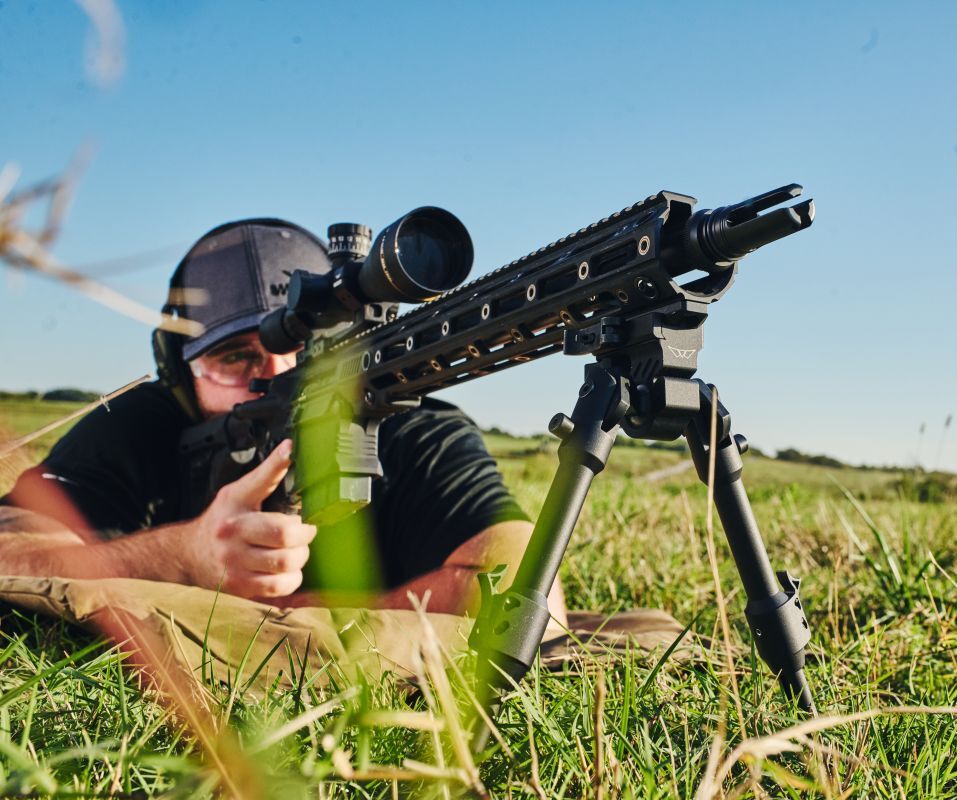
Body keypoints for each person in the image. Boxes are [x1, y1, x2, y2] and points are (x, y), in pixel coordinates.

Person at [0, 218, 566, 620]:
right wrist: (183, 556)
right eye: (235, 357)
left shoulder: (414, 428)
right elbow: (11, 557)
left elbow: (527, 595)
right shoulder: (138, 425)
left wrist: (272, 616)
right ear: (180, 368)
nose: (273, 374)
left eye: (305, 353)